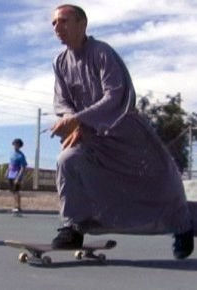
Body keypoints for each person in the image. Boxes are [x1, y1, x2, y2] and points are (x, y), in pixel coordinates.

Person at [50, 4, 194, 259]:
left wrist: (78, 120)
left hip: (128, 136)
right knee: (67, 161)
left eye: (63, 21)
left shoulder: (102, 53)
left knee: (162, 184)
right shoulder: (60, 63)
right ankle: (72, 227)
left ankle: (183, 228)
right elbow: (63, 103)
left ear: (82, 24)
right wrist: (72, 122)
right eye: (54, 23)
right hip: (93, 139)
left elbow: (115, 96)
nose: (57, 27)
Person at [5, 138, 27, 214]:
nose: (15, 146)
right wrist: (7, 171)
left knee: (16, 191)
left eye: (16, 144)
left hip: (16, 175)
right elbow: (10, 163)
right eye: (14, 144)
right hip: (10, 174)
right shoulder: (12, 153)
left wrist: (18, 177)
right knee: (13, 191)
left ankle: (18, 206)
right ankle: (15, 205)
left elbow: (23, 167)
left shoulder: (21, 156)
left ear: (19, 146)